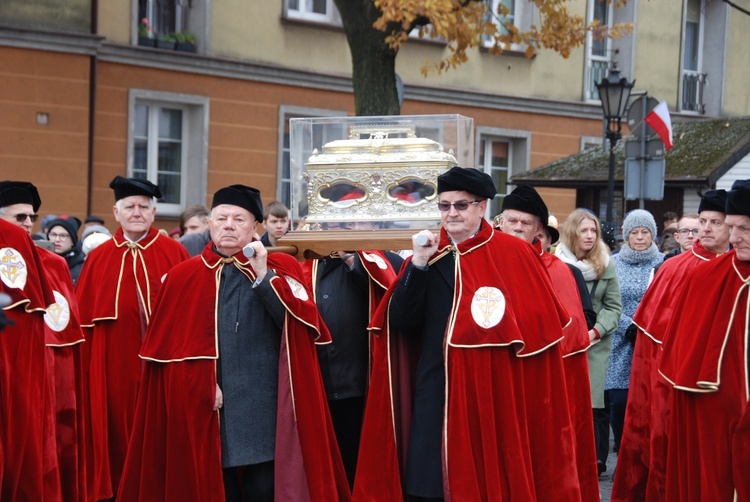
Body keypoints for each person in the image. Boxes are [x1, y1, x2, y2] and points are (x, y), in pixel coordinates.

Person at [355, 167, 580, 500]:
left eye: (461, 205)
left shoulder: (514, 253)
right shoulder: (429, 255)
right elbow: (402, 322)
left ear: (481, 207)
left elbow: (537, 333)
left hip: (493, 390)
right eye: (444, 206)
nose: (451, 213)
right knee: (428, 487)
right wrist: (417, 264)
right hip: (437, 388)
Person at [118, 184, 350, 502]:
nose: (229, 225)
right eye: (222, 217)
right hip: (209, 408)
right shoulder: (182, 276)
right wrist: (200, 381)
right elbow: (167, 353)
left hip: (264, 404)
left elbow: (300, 328)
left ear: (255, 226)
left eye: (239, 219)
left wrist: (263, 277)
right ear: (210, 223)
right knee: (218, 489)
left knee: (263, 487)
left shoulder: (281, 269)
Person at [610, 190, 730, 501]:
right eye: (701, 221)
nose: (705, 229)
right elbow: (652, 345)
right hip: (670, 387)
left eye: (715, 222)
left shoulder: (736, 270)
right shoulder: (674, 268)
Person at [75, 176, 189, 500]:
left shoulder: (175, 252)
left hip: (162, 368)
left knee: (159, 434)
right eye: (130, 206)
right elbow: (83, 325)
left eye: (143, 207)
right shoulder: (97, 258)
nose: (136, 212)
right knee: (113, 436)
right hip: (111, 371)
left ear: (153, 213)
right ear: (116, 211)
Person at [498, 184, 599, 501]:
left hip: (542, 388)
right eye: (511, 220)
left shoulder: (559, 271)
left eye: (525, 223)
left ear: (538, 230)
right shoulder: (479, 262)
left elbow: (573, 338)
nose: (517, 227)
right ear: (499, 221)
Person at [657, 180, 750, 500]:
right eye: (733, 227)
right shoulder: (706, 277)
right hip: (717, 427)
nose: (735, 237)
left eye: (744, 228)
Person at [302, 245, 401, 488]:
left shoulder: (380, 260)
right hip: (316, 388)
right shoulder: (304, 263)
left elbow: (388, 297)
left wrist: (351, 259)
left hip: (361, 387)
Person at [0, 185, 60, 501]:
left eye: (32, 217)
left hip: (24, 376)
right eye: (19, 216)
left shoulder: (48, 262)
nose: (27, 223)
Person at [556, 208, 623, 476]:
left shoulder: (606, 262)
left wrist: (595, 332)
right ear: (572, 232)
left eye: (593, 230)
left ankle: (595, 460)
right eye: (583, 230)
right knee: (565, 402)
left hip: (596, 343)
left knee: (595, 404)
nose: (590, 235)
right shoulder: (555, 261)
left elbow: (613, 306)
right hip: (564, 343)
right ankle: (565, 455)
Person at [604, 210, 663, 456]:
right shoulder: (613, 263)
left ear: (653, 235)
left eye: (645, 232)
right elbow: (606, 302)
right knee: (618, 401)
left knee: (648, 400)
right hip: (620, 339)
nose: (640, 237)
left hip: (652, 338)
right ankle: (621, 442)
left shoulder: (663, 263)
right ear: (626, 236)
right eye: (634, 233)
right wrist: (628, 325)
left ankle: (642, 449)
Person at [46, 215, 86, 284]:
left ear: (73, 240)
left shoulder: (82, 268)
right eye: (53, 235)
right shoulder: (41, 262)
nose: (57, 239)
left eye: (63, 235)